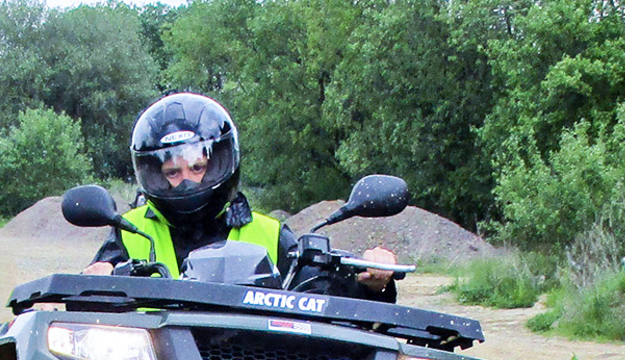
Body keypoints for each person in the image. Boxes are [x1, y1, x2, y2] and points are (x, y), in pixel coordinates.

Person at [84, 92, 397, 298]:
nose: (187, 183)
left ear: (221, 162)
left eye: (198, 167)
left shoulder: (270, 234)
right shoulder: (130, 232)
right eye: (173, 173)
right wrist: (96, 278)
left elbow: (323, 295)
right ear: (153, 174)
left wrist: (371, 279)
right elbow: (89, 307)